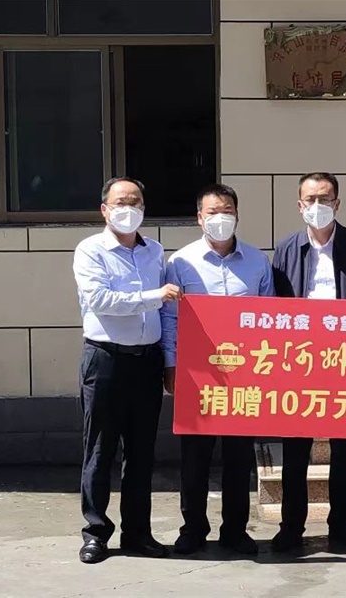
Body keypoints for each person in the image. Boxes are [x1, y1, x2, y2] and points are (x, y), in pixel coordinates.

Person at [73, 177, 183, 564]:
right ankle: (96, 533)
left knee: (141, 453)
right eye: (120, 202)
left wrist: (168, 360)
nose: (128, 209)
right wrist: (155, 296)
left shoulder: (155, 251)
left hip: (146, 361)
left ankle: (138, 533)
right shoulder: (90, 250)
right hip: (105, 360)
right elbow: (101, 300)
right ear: (104, 209)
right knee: (100, 450)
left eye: (135, 202)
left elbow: (166, 313)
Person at [161, 183, 274, 557]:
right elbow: (170, 318)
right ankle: (193, 529)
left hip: (243, 375)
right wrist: (171, 364)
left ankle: (235, 531)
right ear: (199, 218)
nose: (220, 218)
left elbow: (269, 318)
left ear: (237, 215)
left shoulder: (258, 262)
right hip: (198, 374)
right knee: (195, 456)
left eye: (227, 211)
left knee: (239, 457)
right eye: (213, 212)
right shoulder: (181, 263)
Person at [270, 172, 346, 553]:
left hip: (344, 363)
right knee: (295, 451)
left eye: (325, 198)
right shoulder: (286, 249)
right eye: (311, 199)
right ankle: (291, 527)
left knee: (344, 450)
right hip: (298, 364)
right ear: (299, 205)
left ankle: (342, 526)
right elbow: (275, 310)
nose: (318, 206)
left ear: (338, 203)